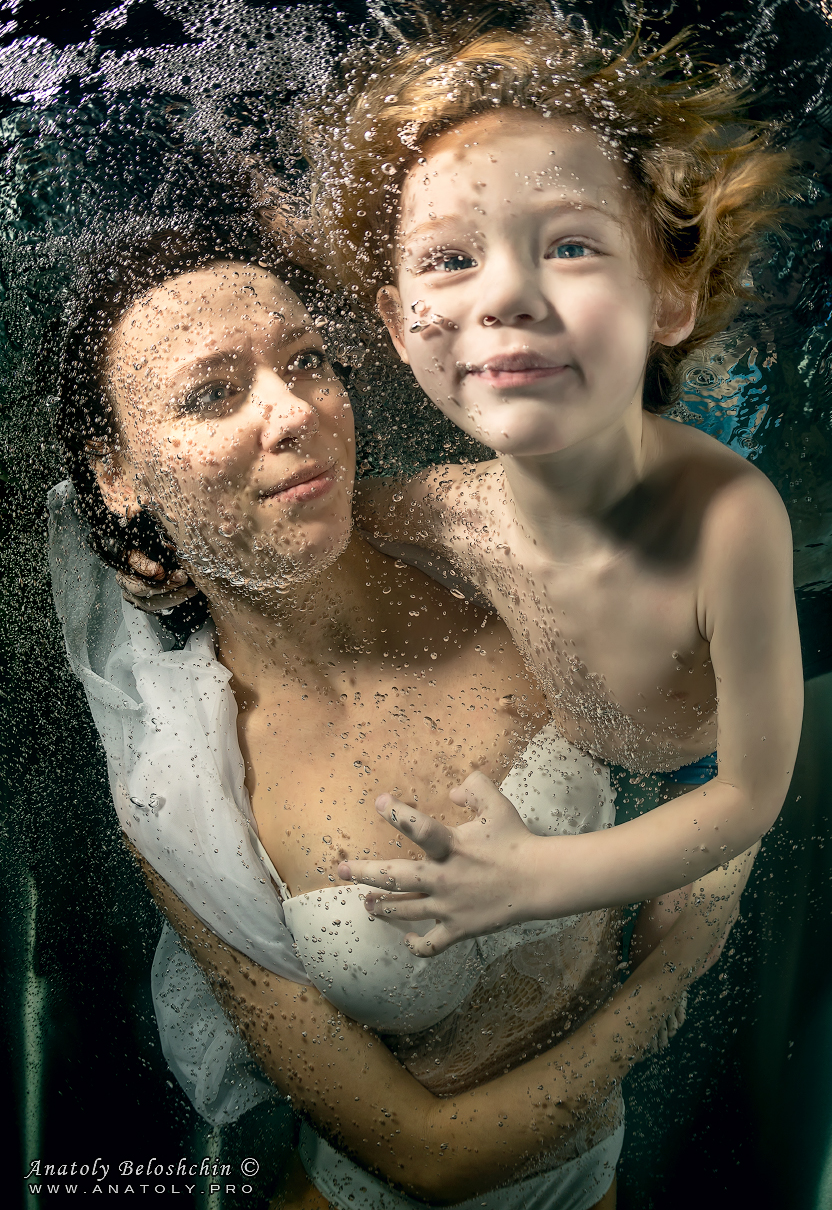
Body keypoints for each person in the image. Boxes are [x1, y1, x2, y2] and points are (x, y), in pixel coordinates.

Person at [49, 218, 747, 1210]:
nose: (291, 410)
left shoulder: (489, 551)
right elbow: (424, 1154)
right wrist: (665, 982)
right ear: (117, 473)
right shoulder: (181, 795)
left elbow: (709, 725)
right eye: (212, 392)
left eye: (305, 360)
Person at [298, 9, 802, 955]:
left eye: (568, 245)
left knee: (682, 929)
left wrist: (535, 879)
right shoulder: (447, 511)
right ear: (403, 329)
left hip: (701, 773)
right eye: (450, 260)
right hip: (575, 739)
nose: (503, 296)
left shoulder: (729, 524)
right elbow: (327, 532)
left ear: (667, 297)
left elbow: (750, 792)